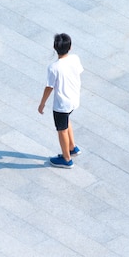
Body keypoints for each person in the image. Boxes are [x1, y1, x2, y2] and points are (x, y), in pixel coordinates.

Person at [38, 33, 84, 168]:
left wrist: (42, 103)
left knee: (61, 129)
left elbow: (49, 87)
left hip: (62, 104)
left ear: (54, 47)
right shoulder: (75, 59)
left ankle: (66, 159)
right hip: (74, 99)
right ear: (70, 47)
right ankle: (72, 147)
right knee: (66, 120)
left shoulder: (54, 68)